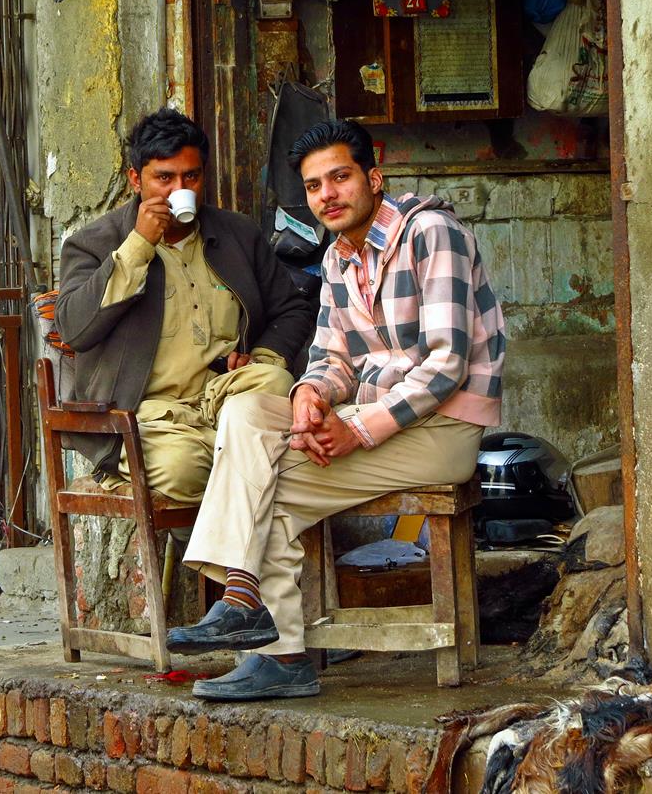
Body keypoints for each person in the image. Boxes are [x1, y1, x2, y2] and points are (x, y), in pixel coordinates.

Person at [167, 118, 507, 700]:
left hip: (444, 428)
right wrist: (309, 396)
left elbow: (447, 365)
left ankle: (275, 647)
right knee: (248, 413)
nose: (327, 194)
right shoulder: (336, 261)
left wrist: (358, 431)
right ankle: (247, 606)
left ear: (374, 179)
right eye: (314, 186)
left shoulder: (431, 234)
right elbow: (331, 358)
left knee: (262, 486)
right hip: (372, 419)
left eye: (340, 178)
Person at [55, 108, 314, 503]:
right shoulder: (94, 243)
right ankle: (230, 535)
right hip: (147, 416)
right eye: (164, 178)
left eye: (190, 176)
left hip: (225, 402)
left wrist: (262, 355)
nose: (180, 189)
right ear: (135, 179)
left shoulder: (237, 233)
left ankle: (224, 537)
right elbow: (75, 327)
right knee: (189, 468)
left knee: (277, 383)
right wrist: (139, 245)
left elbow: (292, 309)